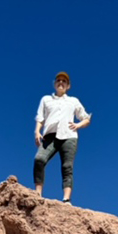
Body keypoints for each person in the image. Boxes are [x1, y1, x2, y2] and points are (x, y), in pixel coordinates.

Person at [33, 71, 91, 204]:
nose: (61, 83)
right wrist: (37, 131)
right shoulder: (46, 99)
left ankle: (66, 199)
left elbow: (86, 118)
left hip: (69, 136)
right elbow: (40, 118)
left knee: (67, 166)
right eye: (58, 80)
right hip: (50, 136)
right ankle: (37, 194)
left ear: (68, 86)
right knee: (39, 159)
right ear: (54, 84)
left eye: (64, 81)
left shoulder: (73, 101)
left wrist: (78, 125)